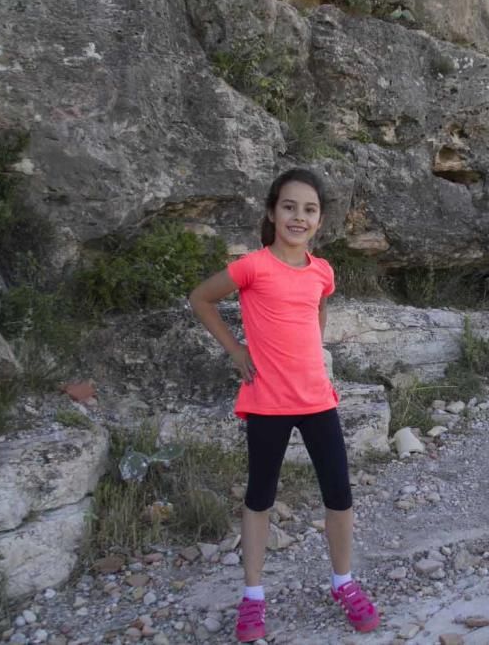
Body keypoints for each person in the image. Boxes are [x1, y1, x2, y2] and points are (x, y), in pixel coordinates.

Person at [188, 169, 379, 642]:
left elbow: (317, 311)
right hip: (268, 402)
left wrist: (313, 355)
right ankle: (253, 596)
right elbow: (201, 299)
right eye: (289, 207)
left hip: (317, 400)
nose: (298, 216)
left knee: (339, 495)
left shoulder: (322, 271)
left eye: (309, 210)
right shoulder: (253, 266)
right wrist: (237, 352)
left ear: (320, 220)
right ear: (273, 211)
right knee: (260, 498)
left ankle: (343, 582)